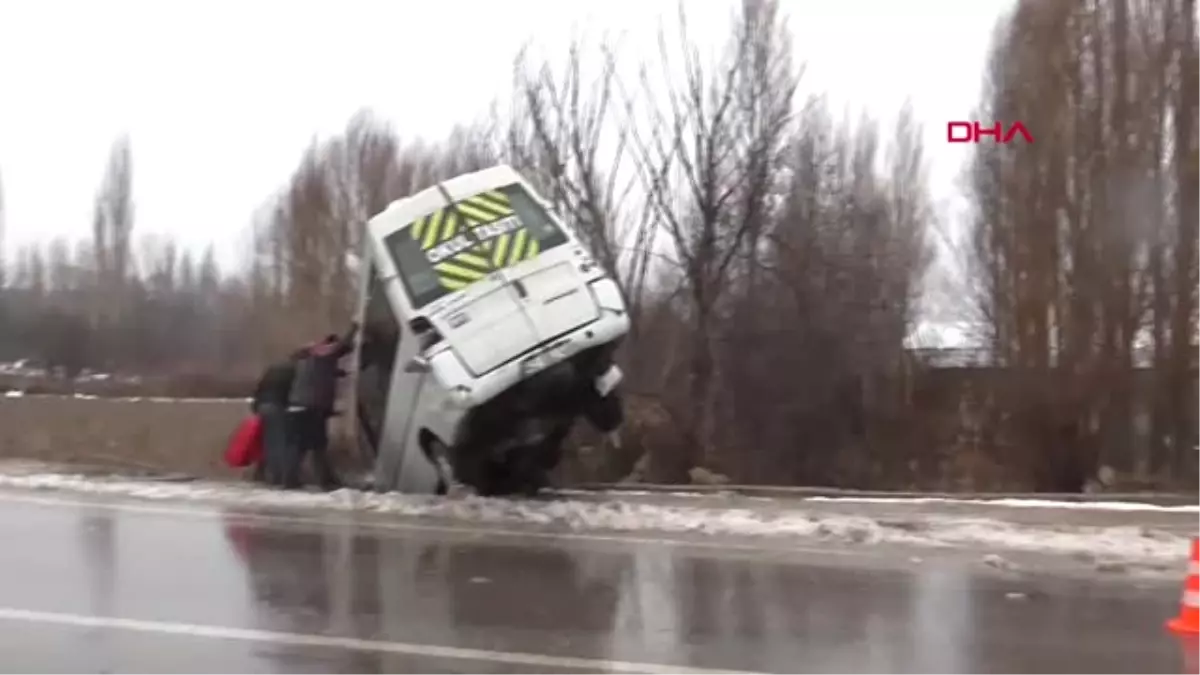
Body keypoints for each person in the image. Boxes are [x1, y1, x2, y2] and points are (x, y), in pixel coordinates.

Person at [283, 323, 359, 490]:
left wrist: (340, 373)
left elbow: (319, 374)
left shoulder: (308, 356)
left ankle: (290, 480)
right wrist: (354, 327)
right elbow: (342, 346)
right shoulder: (325, 353)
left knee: (300, 446)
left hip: (297, 405)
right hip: (313, 407)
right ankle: (325, 481)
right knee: (318, 445)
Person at [249, 351, 304, 486]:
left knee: (269, 443)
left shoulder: (273, 369)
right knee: (281, 444)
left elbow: (259, 388)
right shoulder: (294, 372)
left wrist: (256, 406)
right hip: (277, 407)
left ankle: (269, 476)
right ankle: (281, 478)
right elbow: (295, 392)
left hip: (263, 406)